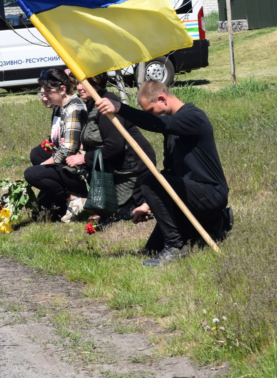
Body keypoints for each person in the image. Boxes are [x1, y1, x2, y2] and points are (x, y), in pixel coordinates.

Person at [96, 81, 230, 267]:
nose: (152, 115)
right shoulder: (172, 130)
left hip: (211, 194)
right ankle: (211, 224)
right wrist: (146, 205)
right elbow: (169, 171)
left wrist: (121, 108)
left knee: (149, 181)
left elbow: (159, 124)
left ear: (162, 99)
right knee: (152, 248)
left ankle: (175, 247)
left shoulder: (194, 117)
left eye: (151, 110)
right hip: (187, 196)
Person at [67, 74, 156, 222]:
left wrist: (84, 158)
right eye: (77, 83)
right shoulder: (93, 103)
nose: (79, 87)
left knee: (124, 213)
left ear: (96, 83)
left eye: (84, 83)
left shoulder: (106, 104)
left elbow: (114, 146)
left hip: (132, 166)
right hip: (114, 163)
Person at [24, 68, 87, 222]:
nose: (44, 95)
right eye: (42, 91)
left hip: (81, 167)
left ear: (62, 89)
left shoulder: (73, 108)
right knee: (37, 153)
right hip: (70, 160)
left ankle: (75, 197)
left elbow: (68, 150)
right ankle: (58, 192)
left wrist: (44, 166)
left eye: (48, 91)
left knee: (31, 173)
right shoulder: (61, 106)